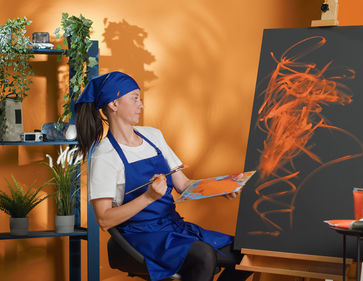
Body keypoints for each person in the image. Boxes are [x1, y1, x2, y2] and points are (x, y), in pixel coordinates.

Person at [74, 71, 252, 281]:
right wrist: (148, 197)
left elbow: (183, 184)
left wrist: (221, 187)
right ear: (114, 104)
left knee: (247, 254)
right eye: (135, 98)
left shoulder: (153, 136)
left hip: (172, 227)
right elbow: (104, 219)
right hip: (140, 235)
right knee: (204, 255)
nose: (141, 104)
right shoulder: (105, 156)